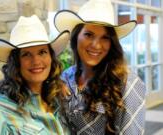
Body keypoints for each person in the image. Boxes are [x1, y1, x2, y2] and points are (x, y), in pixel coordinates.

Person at [54, 0, 146, 134]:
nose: (96, 45)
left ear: (112, 43)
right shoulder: (66, 76)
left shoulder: (128, 83)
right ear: (75, 37)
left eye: (105, 38)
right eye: (88, 35)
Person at [0, 15, 70, 135]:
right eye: (26, 54)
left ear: (51, 58)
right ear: (16, 62)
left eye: (42, 52)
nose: (36, 61)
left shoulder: (58, 103)